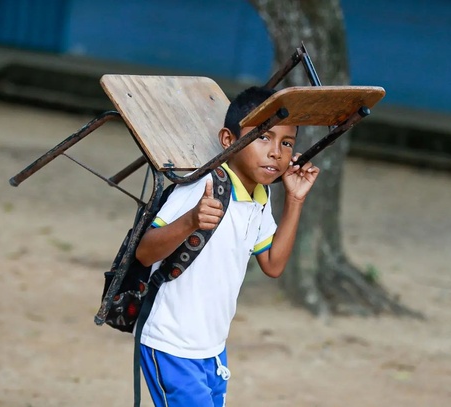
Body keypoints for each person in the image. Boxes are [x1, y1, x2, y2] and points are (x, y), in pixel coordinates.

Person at [135, 86, 320, 406]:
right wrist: (191, 221)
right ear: (228, 140)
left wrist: (294, 199)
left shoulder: (260, 198)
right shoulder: (203, 186)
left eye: (286, 143)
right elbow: (144, 252)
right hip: (172, 344)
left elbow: (273, 265)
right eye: (263, 137)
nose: (276, 152)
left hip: (212, 348)